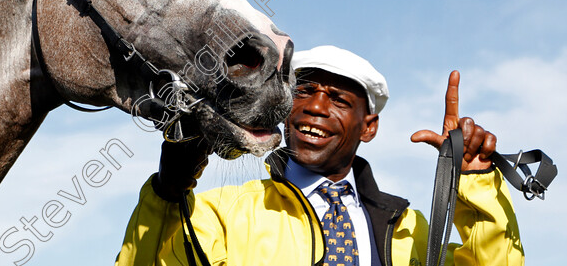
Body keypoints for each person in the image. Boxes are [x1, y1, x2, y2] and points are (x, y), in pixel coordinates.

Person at [115, 45, 524, 265]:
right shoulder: (220, 215)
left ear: (369, 127)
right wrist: (169, 195)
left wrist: (476, 185)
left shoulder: (409, 230)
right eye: (304, 91)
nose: (315, 107)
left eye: (339, 100)